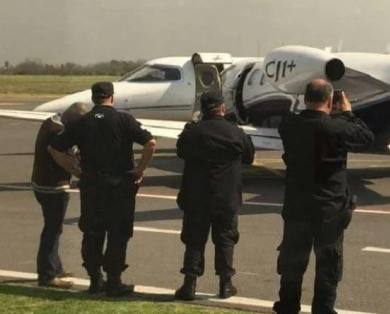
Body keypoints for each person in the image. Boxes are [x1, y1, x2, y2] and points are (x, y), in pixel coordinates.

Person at [273, 80, 374, 314]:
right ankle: (323, 309)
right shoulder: (337, 128)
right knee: (328, 265)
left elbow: (292, 115)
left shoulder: (289, 125)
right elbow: (365, 136)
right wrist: (347, 113)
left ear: (306, 98)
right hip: (329, 208)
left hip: (297, 207)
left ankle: (287, 306)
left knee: (292, 263)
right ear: (330, 101)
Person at [49, 82, 156, 297]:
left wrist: (74, 169)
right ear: (112, 97)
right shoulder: (123, 120)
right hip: (119, 186)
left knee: (92, 232)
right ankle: (114, 281)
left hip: (92, 185)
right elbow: (150, 143)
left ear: (94, 98)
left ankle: (95, 279)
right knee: (118, 234)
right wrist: (139, 169)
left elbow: (53, 147)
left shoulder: (82, 122)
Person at [174, 90, 255, 301]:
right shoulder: (234, 132)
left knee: (194, 239)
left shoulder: (192, 132)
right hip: (225, 196)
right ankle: (225, 283)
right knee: (225, 238)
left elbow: (180, 151)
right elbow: (249, 156)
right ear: (222, 107)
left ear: (202, 109)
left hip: (196, 195)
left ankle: (189, 283)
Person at [33, 102, 89, 289]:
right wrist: (81, 173)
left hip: (43, 182)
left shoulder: (53, 121)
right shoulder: (58, 130)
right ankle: (47, 275)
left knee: (54, 228)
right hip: (52, 186)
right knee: (52, 229)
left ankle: (55, 267)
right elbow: (59, 156)